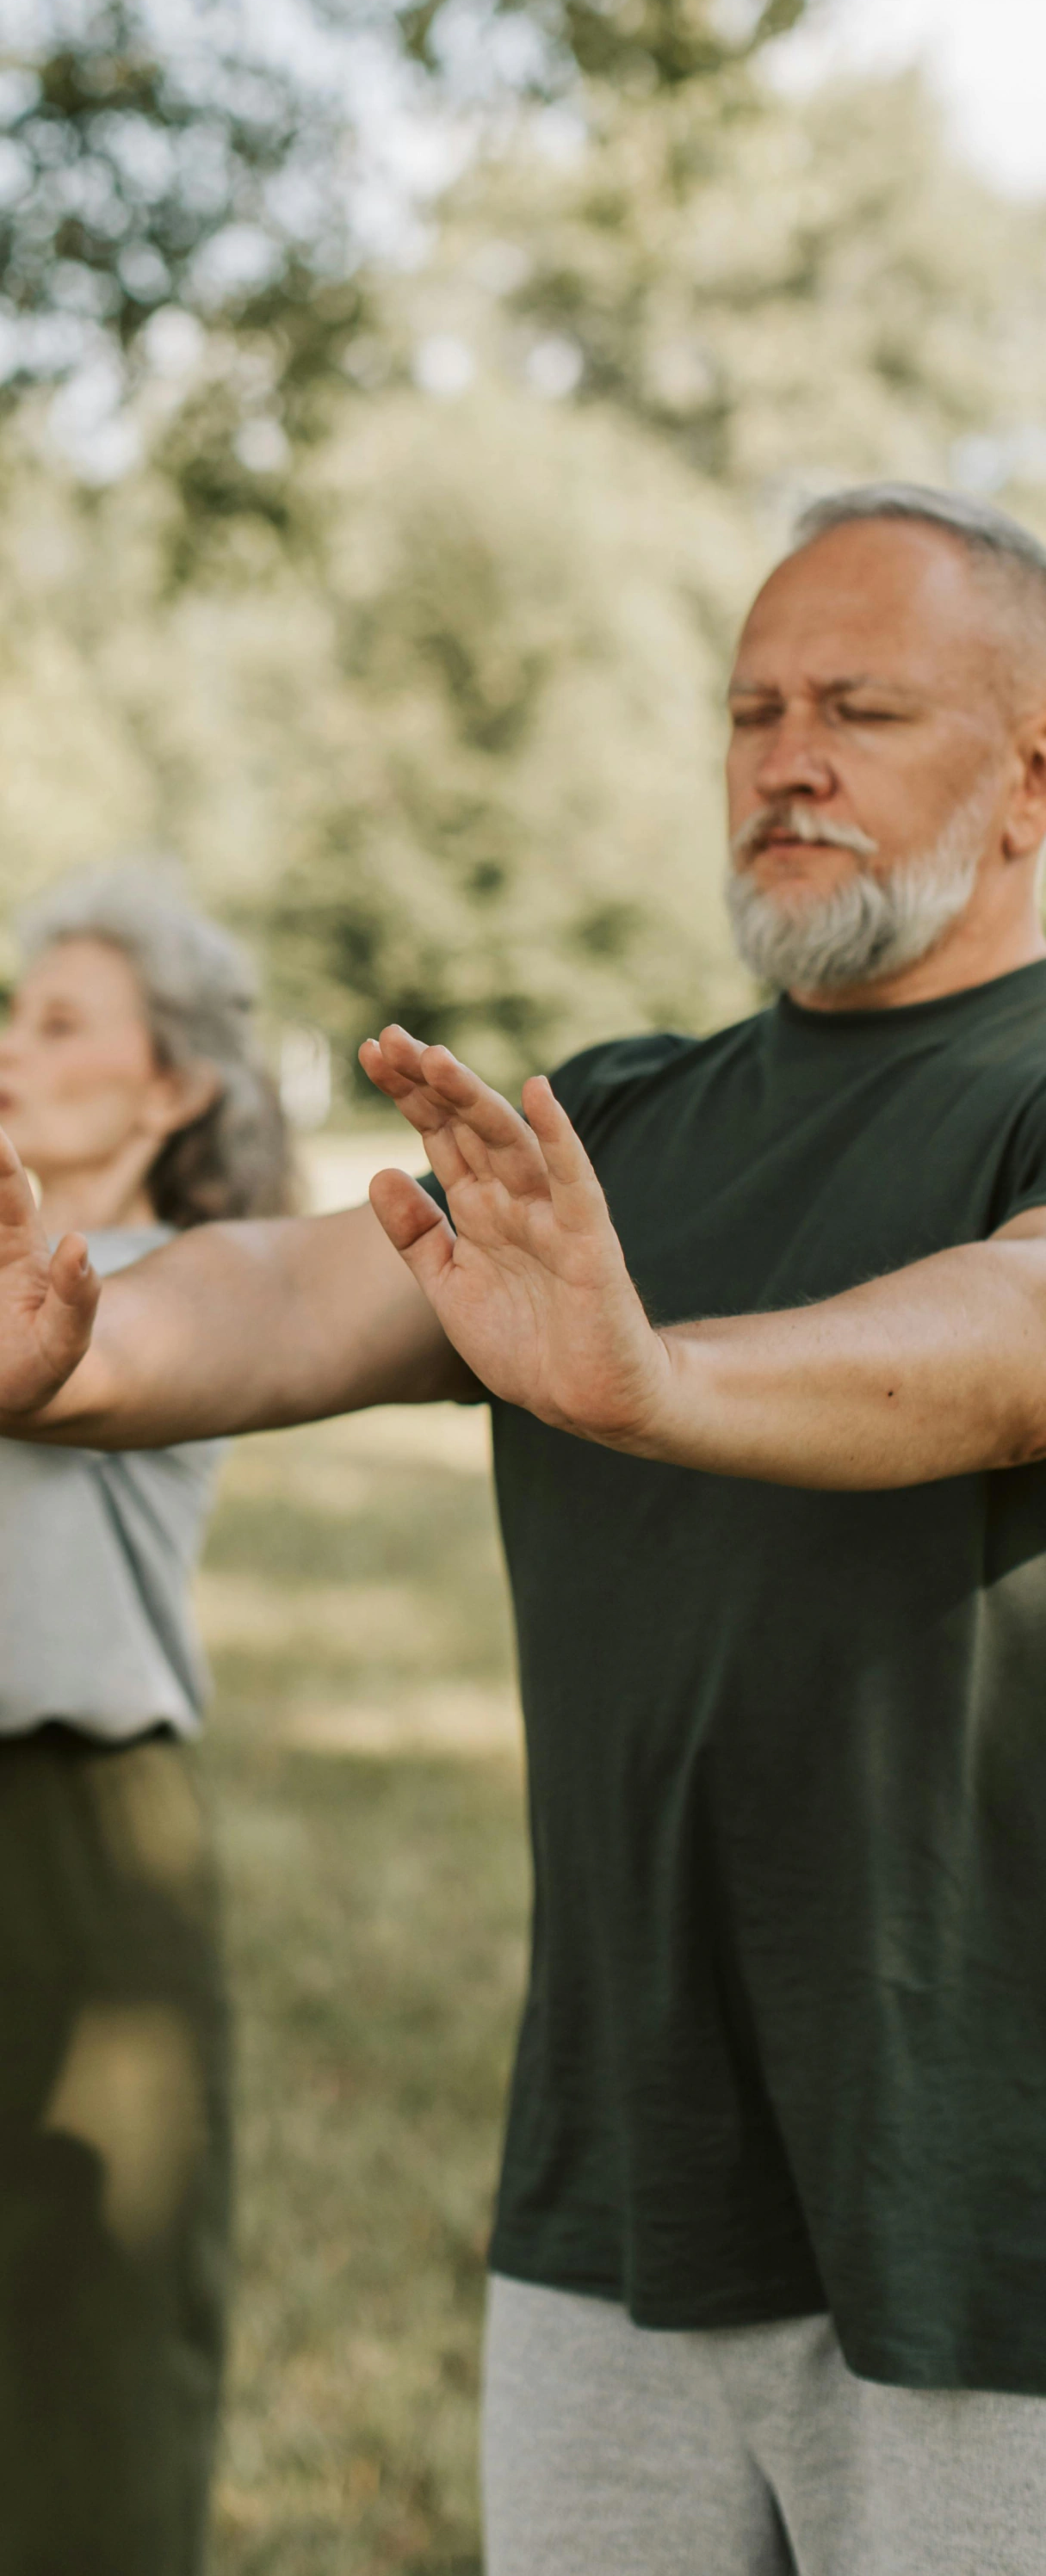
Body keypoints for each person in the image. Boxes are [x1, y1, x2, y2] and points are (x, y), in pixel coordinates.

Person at [5, 483, 1046, 2573]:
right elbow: (298, 1285)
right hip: (619, 2202)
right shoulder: (623, 1122)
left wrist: (657, 1384)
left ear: (1033, 773)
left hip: (986, 2223)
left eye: (858, 704)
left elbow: (1010, 1329)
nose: (786, 757)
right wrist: (75, 1340)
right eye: (749, 711)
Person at [0, 867, 293, 2576]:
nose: (13, 1048)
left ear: (171, 1082)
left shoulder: (174, 1282)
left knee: (92, 2351)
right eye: (10, 1013)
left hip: (76, 1845)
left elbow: (73, 1346)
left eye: (59, 1023)